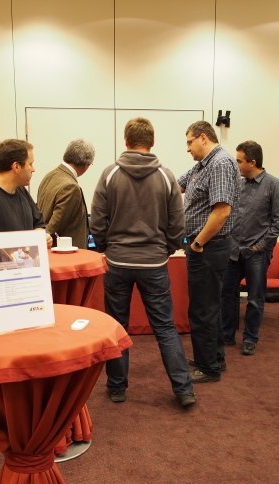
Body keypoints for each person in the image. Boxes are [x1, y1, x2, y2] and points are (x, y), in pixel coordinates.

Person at [91, 118, 196, 408]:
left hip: (118, 262)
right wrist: (167, 250)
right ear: (152, 142)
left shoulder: (109, 174)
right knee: (165, 328)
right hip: (154, 263)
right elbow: (178, 223)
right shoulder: (166, 176)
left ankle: (117, 387)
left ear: (126, 141)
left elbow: (97, 219)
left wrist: (106, 246)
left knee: (117, 326)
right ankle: (184, 390)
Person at [178, 121, 240, 383]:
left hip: (207, 247)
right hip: (205, 247)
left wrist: (198, 243)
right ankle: (213, 358)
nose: (187, 148)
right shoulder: (202, 165)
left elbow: (222, 211)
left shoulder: (220, 163)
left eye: (189, 142)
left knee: (203, 309)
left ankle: (208, 367)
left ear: (203, 138)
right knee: (208, 306)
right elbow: (176, 184)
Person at [221, 140, 279, 356]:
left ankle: (250, 338)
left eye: (239, 161)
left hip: (257, 253)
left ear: (252, 162)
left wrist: (261, 246)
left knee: (254, 299)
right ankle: (227, 334)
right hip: (234, 251)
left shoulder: (274, 185)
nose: (236, 165)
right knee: (227, 295)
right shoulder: (238, 184)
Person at [0, 139, 50, 305]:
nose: (33, 169)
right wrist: (15, 244)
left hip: (24, 285)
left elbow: (39, 225)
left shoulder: (22, 192)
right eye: (30, 164)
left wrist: (40, 238)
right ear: (16, 166)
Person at [36, 139, 95, 248]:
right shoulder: (71, 187)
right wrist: (42, 241)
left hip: (50, 249)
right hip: (66, 251)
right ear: (86, 164)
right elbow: (55, 224)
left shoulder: (49, 176)